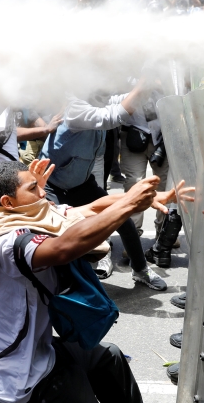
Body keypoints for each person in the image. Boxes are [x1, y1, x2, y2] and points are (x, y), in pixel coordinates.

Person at [0, 160, 176, 403]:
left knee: (108, 356)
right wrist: (128, 203)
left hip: (45, 351)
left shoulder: (29, 214)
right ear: (7, 202)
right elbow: (66, 247)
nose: (44, 194)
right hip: (24, 376)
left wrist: (154, 197)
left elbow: (93, 207)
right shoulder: (9, 240)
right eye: (33, 188)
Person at [41, 85, 168, 290]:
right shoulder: (76, 109)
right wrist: (143, 84)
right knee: (58, 234)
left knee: (123, 219)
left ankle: (140, 270)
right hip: (52, 186)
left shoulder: (97, 102)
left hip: (81, 182)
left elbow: (122, 100)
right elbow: (113, 117)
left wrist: (147, 84)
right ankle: (59, 286)